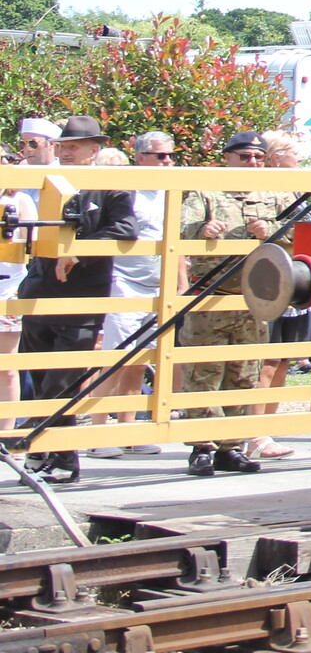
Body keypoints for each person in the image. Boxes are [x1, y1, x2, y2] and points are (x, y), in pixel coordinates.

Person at [14, 117, 144, 484]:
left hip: (81, 294)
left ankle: (65, 456)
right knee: (40, 376)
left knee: (64, 380)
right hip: (39, 289)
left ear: (95, 149)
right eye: (62, 145)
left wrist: (78, 251)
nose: (66, 151)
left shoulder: (109, 184)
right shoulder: (45, 180)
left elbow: (125, 229)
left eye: (75, 145)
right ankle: (46, 451)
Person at [175, 131, 278, 476]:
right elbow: (180, 228)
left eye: (258, 158)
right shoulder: (207, 192)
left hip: (254, 298)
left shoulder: (273, 195)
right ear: (227, 158)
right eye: (244, 156)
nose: (252, 163)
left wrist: (274, 228)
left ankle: (231, 446)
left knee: (244, 375)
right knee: (203, 372)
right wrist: (203, 229)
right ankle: (202, 447)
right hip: (211, 297)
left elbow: (302, 229)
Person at [85, 131, 175, 458]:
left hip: (157, 284)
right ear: (140, 157)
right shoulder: (128, 191)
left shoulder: (170, 192)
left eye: (170, 156)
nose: (167, 161)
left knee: (140, 361)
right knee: (115, 358)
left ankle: (129, 430)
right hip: (124, 281)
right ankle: (97, 432)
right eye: (160, 156)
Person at [242, 129, 305, 461]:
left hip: (299, 282)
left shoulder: (297, 188)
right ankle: (254, 433)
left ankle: (267, 429)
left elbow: (307, 229)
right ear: (278, 156)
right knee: (265, 362)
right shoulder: (264, 188)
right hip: (272, 282)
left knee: (282, 360)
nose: (300, 159)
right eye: (295, 153)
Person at [2, 118, 63, 431]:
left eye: (32, 144)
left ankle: (12, 427)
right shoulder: (25, 182)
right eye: (22, 144)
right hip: (29, 279)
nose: (24, 151)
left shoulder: (25, 194)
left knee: (13, 363)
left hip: (20, 282)